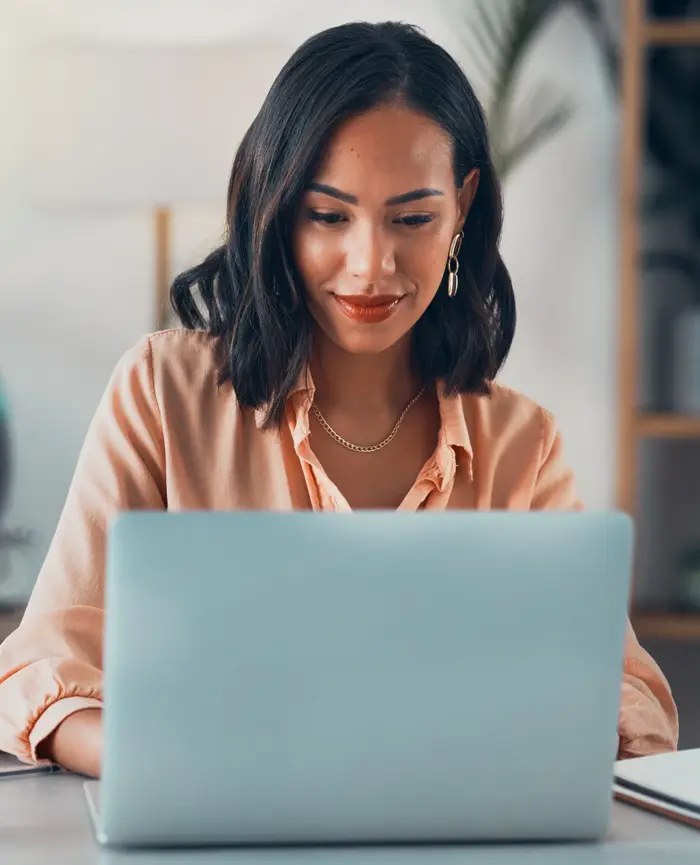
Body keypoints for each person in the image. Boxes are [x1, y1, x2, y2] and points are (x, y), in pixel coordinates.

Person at [0, 22, 677, 778]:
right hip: (210, 820)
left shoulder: (520, 442)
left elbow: (628, 695)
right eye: (329, 216)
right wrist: (174, 765)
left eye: (412, 218)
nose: (370, 265)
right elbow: (42, 670)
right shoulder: (161, 393)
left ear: (462, 209)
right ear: (278, 208)